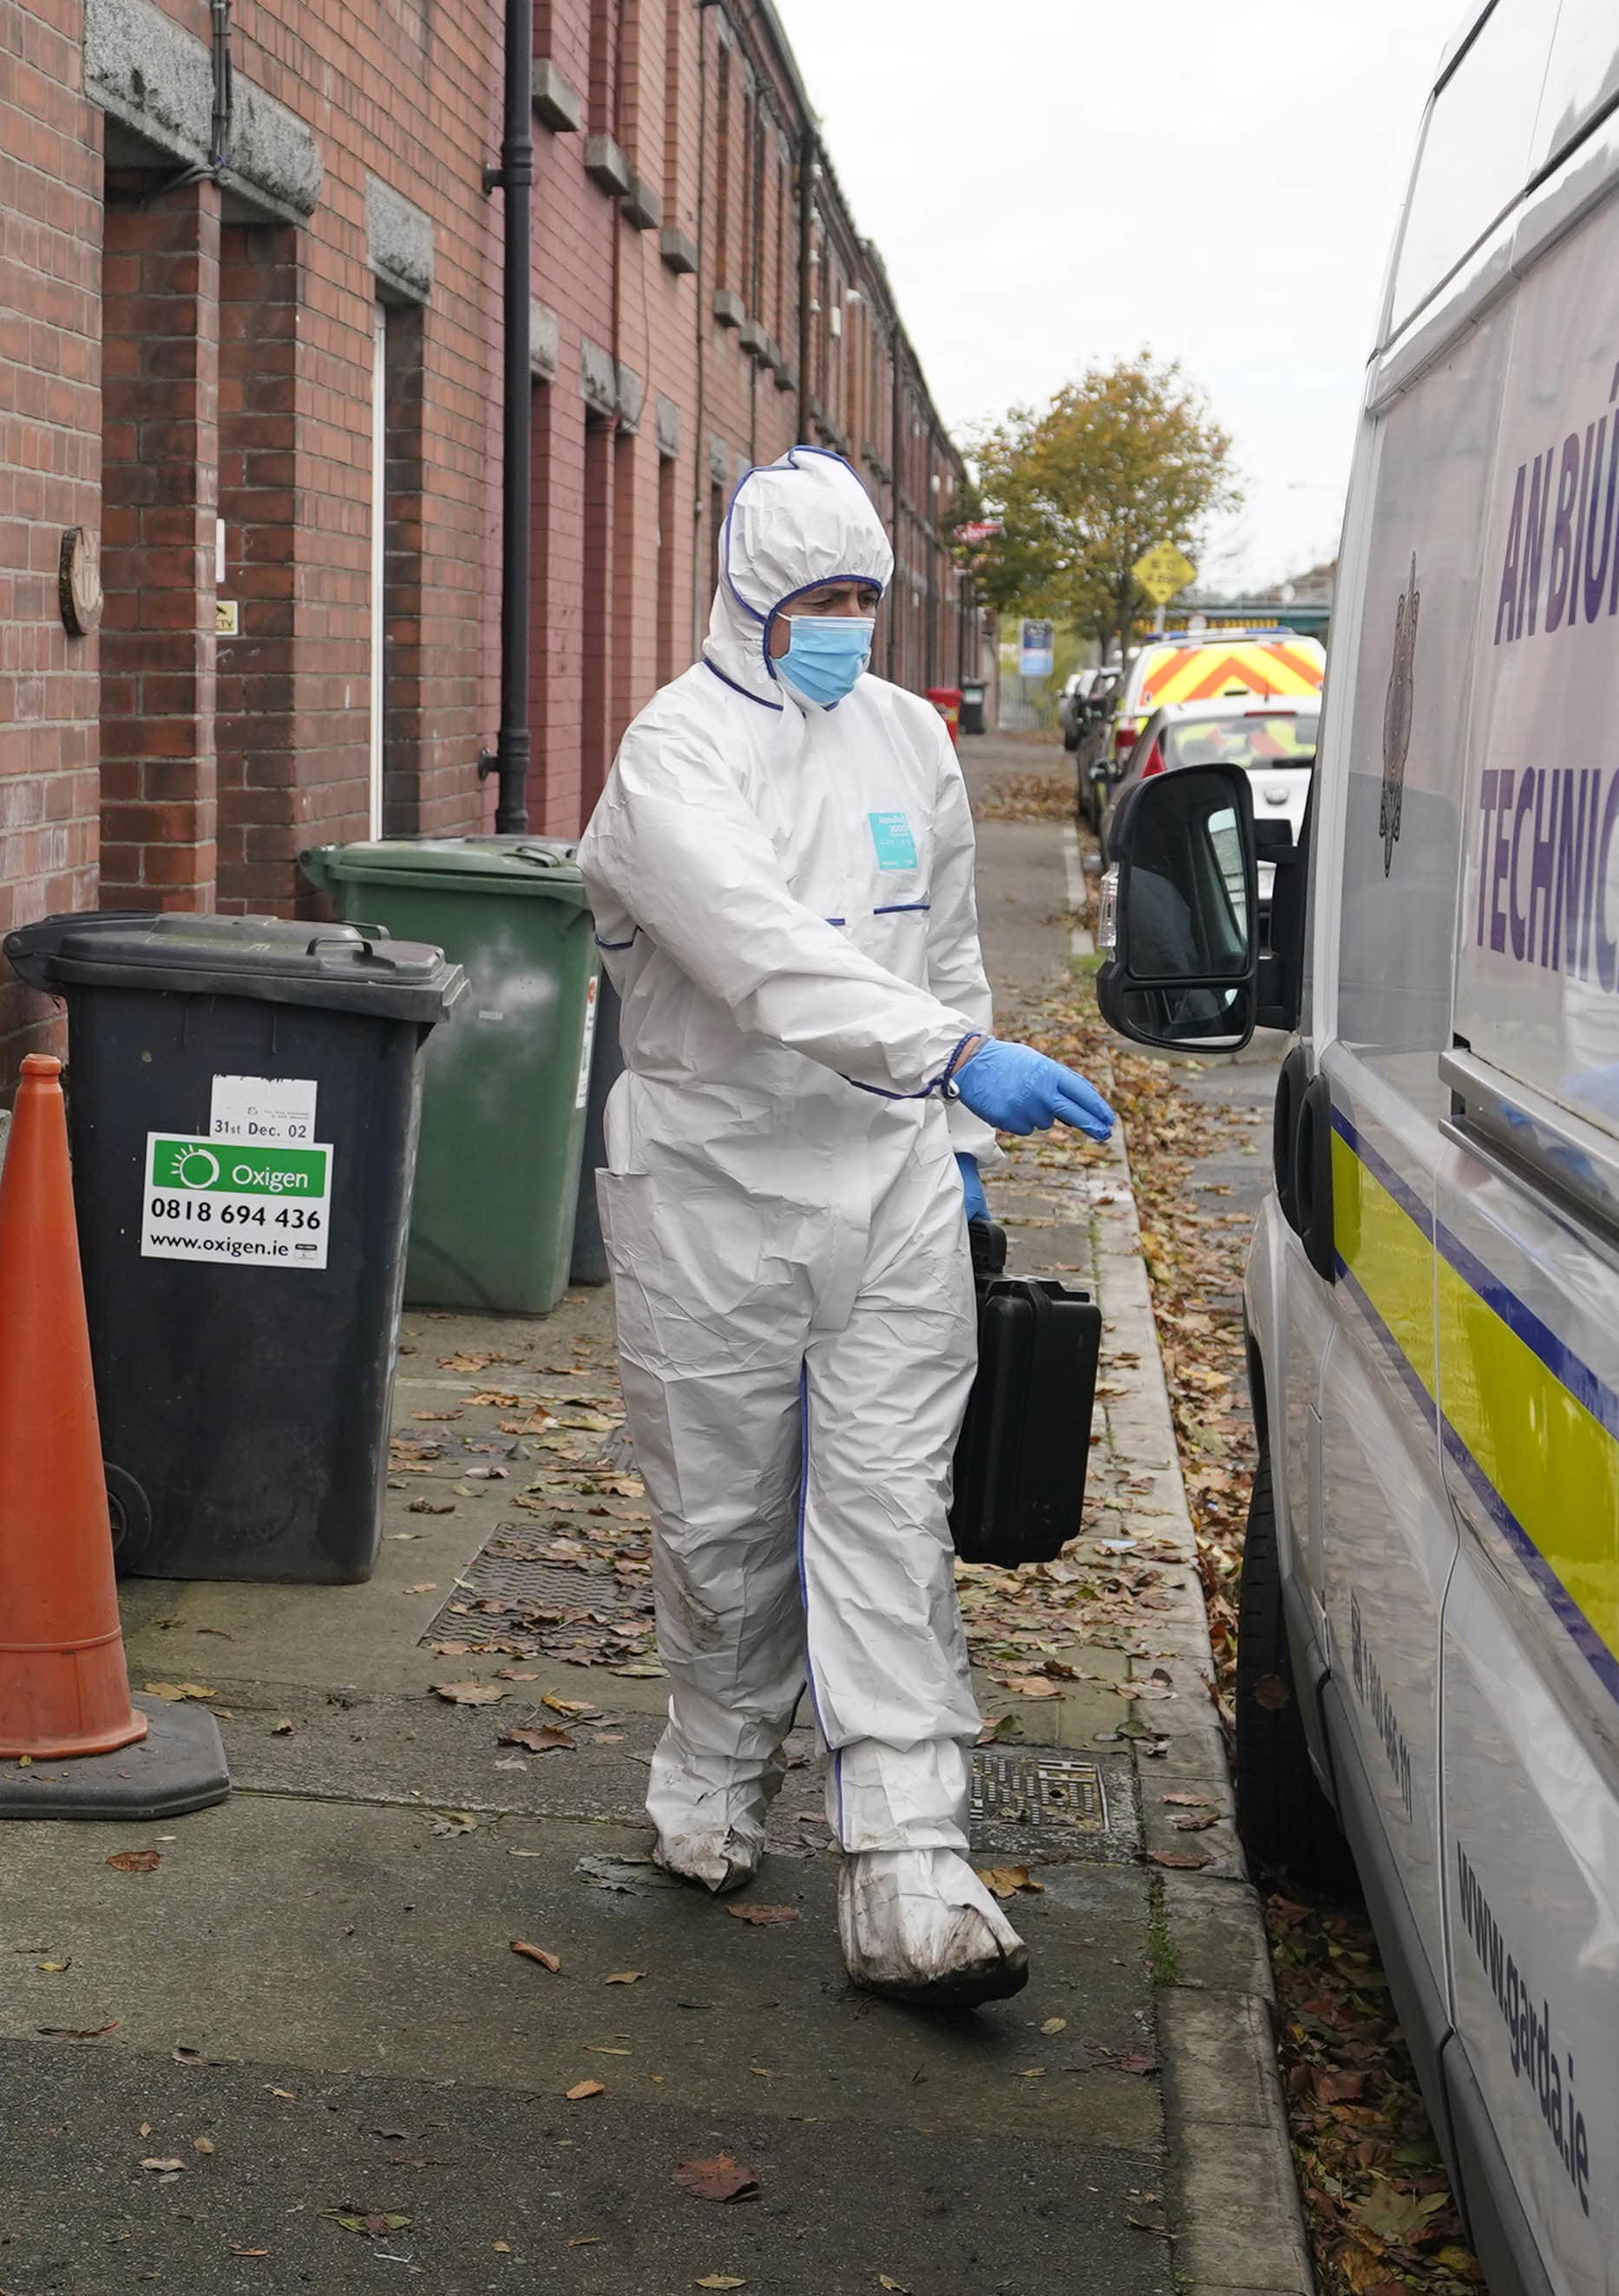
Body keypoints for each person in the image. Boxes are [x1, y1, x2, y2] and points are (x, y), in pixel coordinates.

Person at [576, 447, 1116, 2006]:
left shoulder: (901, 741)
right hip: (713, 1189)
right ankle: (714, 1765)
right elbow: (758, 955)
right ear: (748, 601)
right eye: (818, 600)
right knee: (724, 1527)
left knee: (886, 1516)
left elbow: (943, 946)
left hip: (883, 1185)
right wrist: (952, 1065)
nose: (846, 627)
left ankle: (909, 1868)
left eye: (863, 600)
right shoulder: (671, 760)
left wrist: (949, 1136)